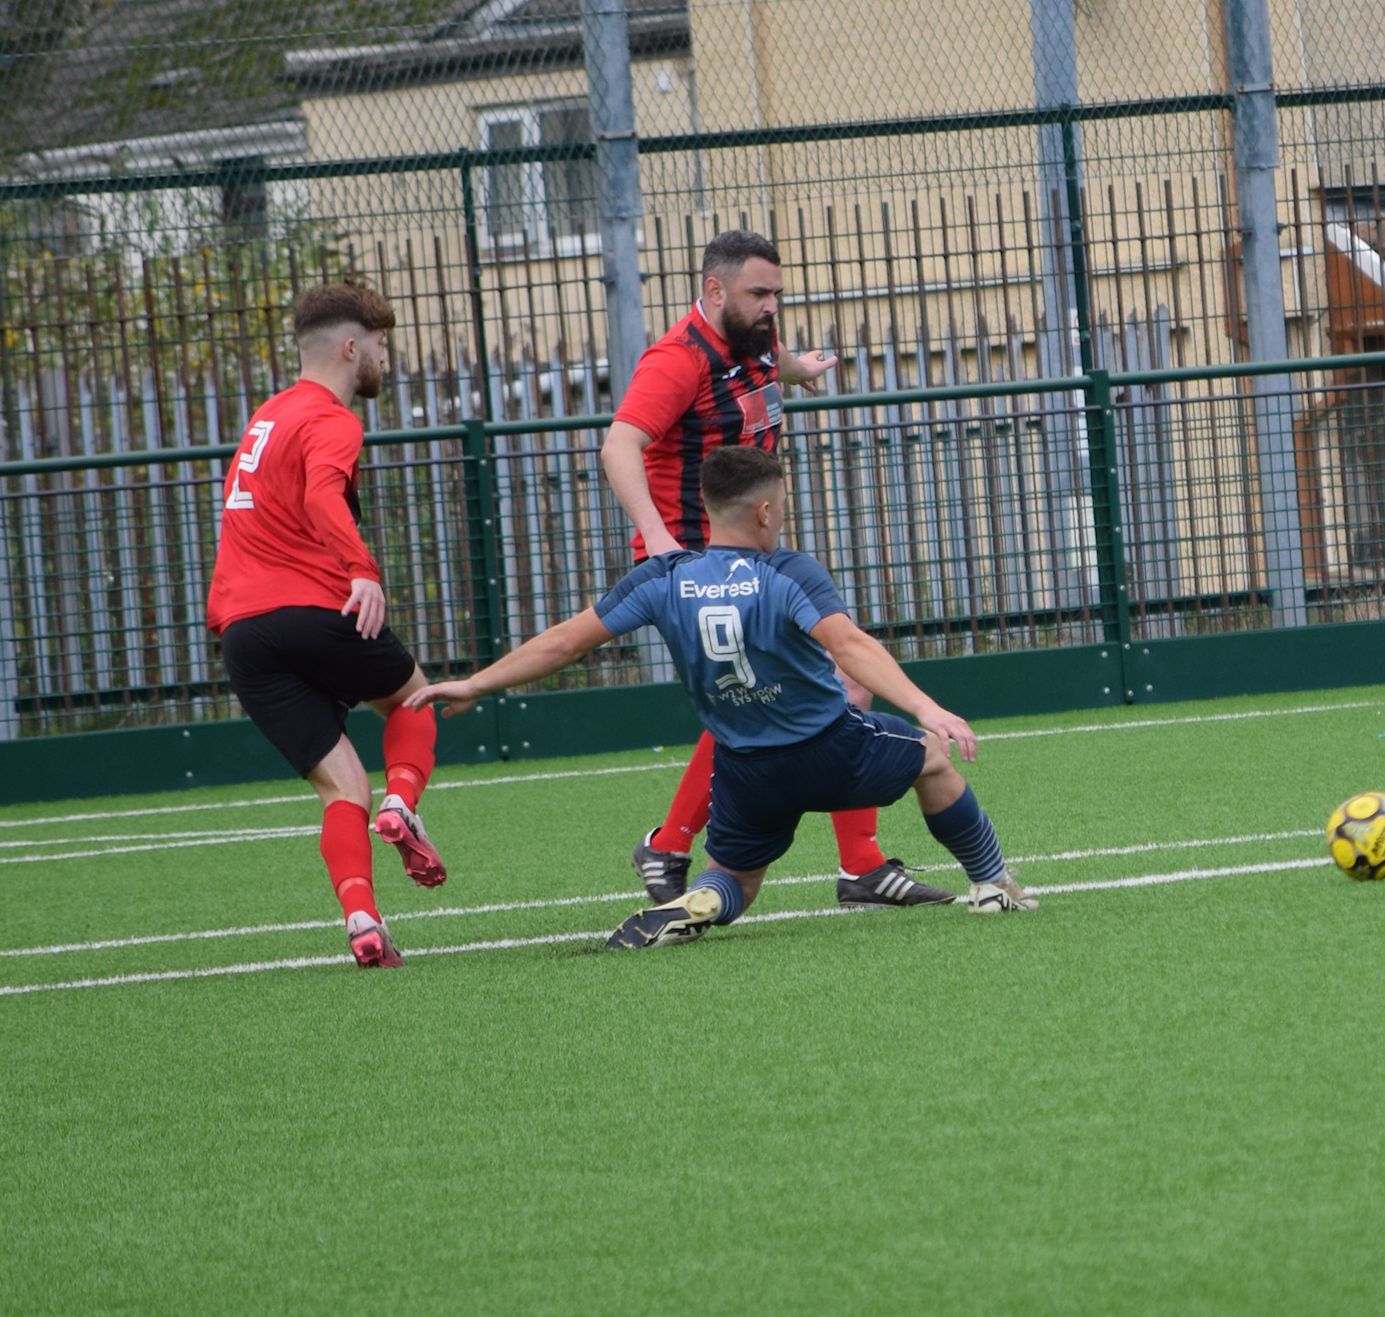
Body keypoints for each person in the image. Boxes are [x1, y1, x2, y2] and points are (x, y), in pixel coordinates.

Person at [409, 445, 1034, 944]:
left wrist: (476, 682)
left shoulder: (664, 578)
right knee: (932, 759)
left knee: (736, 881)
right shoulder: (787, 571)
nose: (782, 516)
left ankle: (701, 900)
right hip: (831, 748)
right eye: (781, 505)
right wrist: (926, 708)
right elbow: (849, 646)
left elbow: (564, 643)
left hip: (743, 771)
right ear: (763, 511)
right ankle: (991, 885)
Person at [602, 227, 952, 910]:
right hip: (694, 559)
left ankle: (680, 845)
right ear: (714, 291)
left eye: (776, 294)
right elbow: (620, 445)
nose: (771, 306)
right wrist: (659, 539)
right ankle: (851, 865)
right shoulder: (676, 361)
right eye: (758, 293)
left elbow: (772, 362)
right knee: (803, 687)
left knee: (792, 690)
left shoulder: (754, 338)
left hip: (743, 553)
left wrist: (800, 369)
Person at [206, 284, 443, 968]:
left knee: (342, 789)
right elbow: (319, 496)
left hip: (242, 634)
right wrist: (362, 570)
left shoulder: (266, 417)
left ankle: (363, 919)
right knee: (416, 700)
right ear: (350, 347)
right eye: (381, 345)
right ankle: (402, 804)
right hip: (312, 607)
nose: (385, 359)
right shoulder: (332, 418)